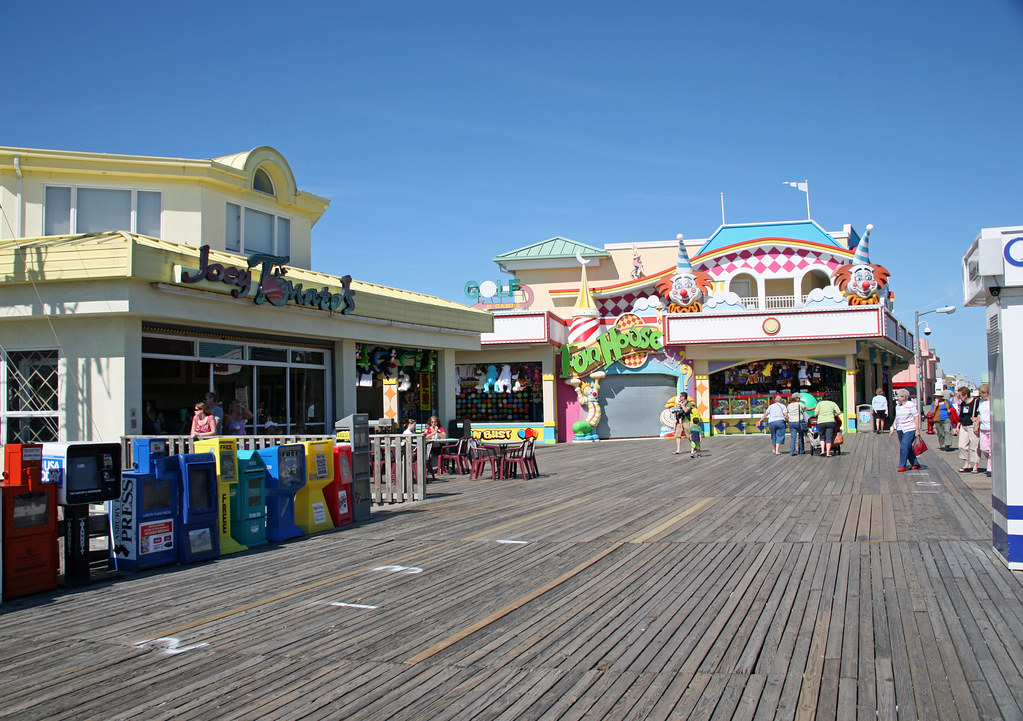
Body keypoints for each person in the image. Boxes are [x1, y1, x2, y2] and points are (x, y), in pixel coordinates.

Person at [888, 388, 921, 472]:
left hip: (909, 429)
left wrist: (917, 430)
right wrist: (893, 427)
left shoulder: (911, 405)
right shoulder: (898, 406)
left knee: (904, 447)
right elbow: (897, 418)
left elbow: (916, 417)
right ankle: (915, 463)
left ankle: (902, 465)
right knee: (907, 447)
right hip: (900, 429)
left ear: (904, 397)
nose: (897, 398)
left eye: (898, 396)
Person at [956, 386, 981, 473]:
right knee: (962, 445)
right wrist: (958, 426)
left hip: (972, 425)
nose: (959, 398)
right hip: (964, 425)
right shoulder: (963, 404)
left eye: (960, 396)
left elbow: (979, 413)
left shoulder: (975, 402)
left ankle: (975, 465)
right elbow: (961, 415)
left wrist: (977, 422)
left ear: (966, 395)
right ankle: (967, 463)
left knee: (974, 445)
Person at [813, 392, 842, 458]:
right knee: (829, 437)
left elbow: (815, 414)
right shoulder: (833, 404)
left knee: (822, 436)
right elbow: (839, 412)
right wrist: (834, 415)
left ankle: (823, 451)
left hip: (821, 422)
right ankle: (828, 453)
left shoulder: (820, 404)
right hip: (830, 421)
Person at [672, 392, 696, 456]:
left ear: (683, 397)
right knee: (678, 435)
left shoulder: (689, 404)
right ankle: (678, 449)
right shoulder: (679, 403)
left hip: (686, 421)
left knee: (689, 436)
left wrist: (682, 405)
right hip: (679, 421)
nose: (679, 398)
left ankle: (694, 447)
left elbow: (686, 410)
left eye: (680, 396)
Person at [977, 384, 992, 477]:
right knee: (984, 448)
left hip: (992, 428)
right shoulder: (981, 402)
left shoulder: (993, 402)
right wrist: (976, 424)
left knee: (991, 450)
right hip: (983, 428)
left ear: (986, 393)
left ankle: (990, 468)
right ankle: (991, 463)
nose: (980, 395)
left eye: (981, 393)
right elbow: (979, 414)